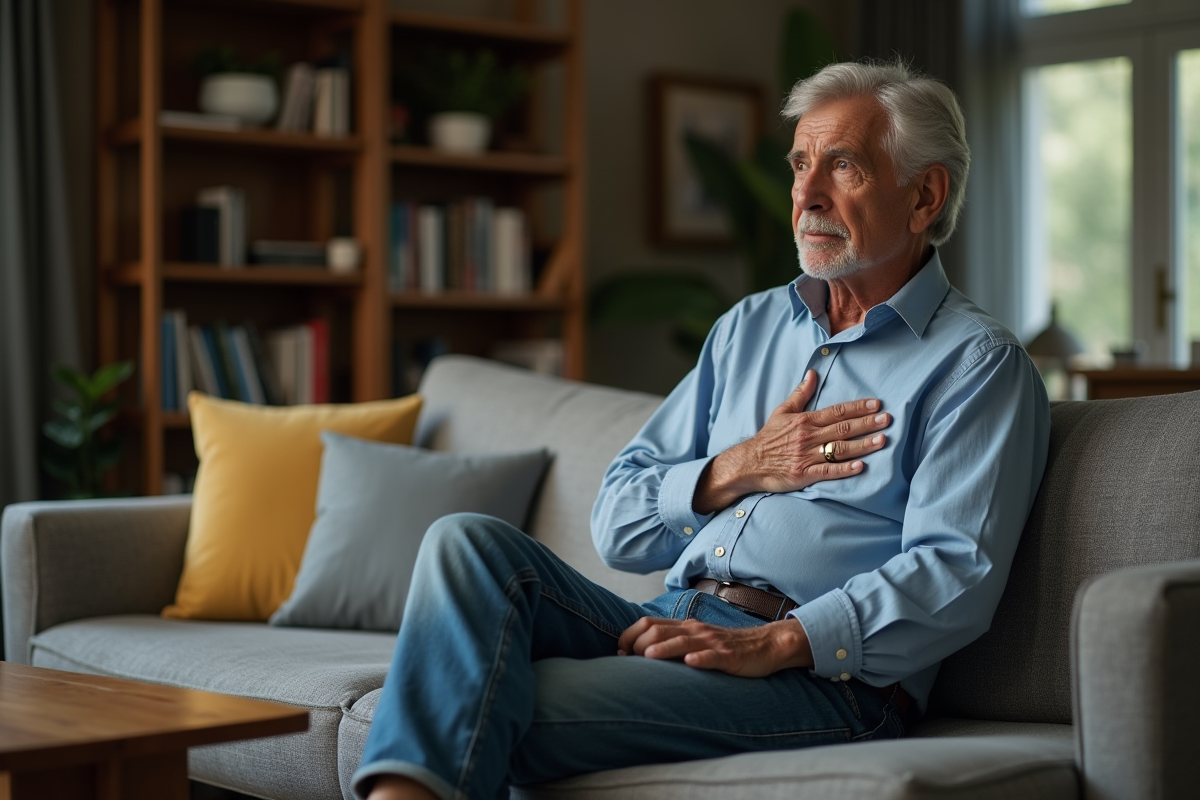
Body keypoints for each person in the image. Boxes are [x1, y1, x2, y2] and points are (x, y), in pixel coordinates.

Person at [355, 60, 1050, 800]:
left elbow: (953, 574)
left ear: (924, 196)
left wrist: (772, 643)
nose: (806, 196)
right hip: (666, 616)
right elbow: (618, 524)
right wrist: (739, 466)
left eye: (842, 166)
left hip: (822, 678)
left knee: (501, 701)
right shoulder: (747, 329)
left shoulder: (978, 367)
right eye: (800, 165)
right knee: (467, 543)